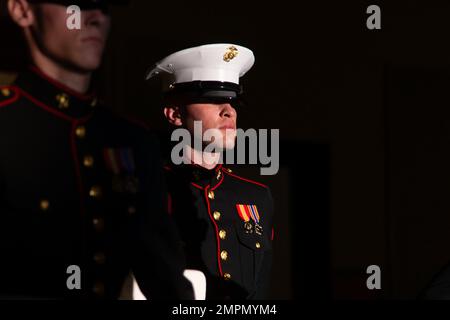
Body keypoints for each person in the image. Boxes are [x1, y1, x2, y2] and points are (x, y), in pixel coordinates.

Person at [0, 0, 193, 299]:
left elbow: (165, 280)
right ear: (22, 10)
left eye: (104, 6)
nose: (96, 17)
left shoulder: (132, 140)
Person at [146, 44, 275, 299]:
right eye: (213, 99)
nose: (229, 111)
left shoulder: (257, 197)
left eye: (232, 101)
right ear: (174, 114)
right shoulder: (149, 190)